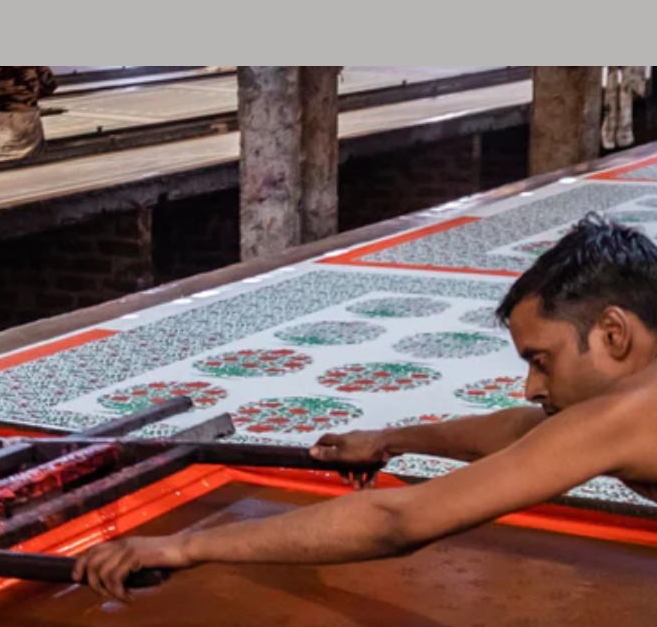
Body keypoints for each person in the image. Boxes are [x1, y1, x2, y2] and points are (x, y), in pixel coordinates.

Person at [75, 215, 657, 599]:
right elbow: (522, 432)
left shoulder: (626, 412)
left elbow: (395, 521)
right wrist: (390, 439)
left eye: (542, 360)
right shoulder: (630, 402)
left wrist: (185, 545)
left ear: (613, 332)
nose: (531, 386)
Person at [0, 67, 58, 164]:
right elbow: (49, 82)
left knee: (4, 160)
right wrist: (31, 98)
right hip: (30, 115)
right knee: (33, 161)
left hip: (6, 116)